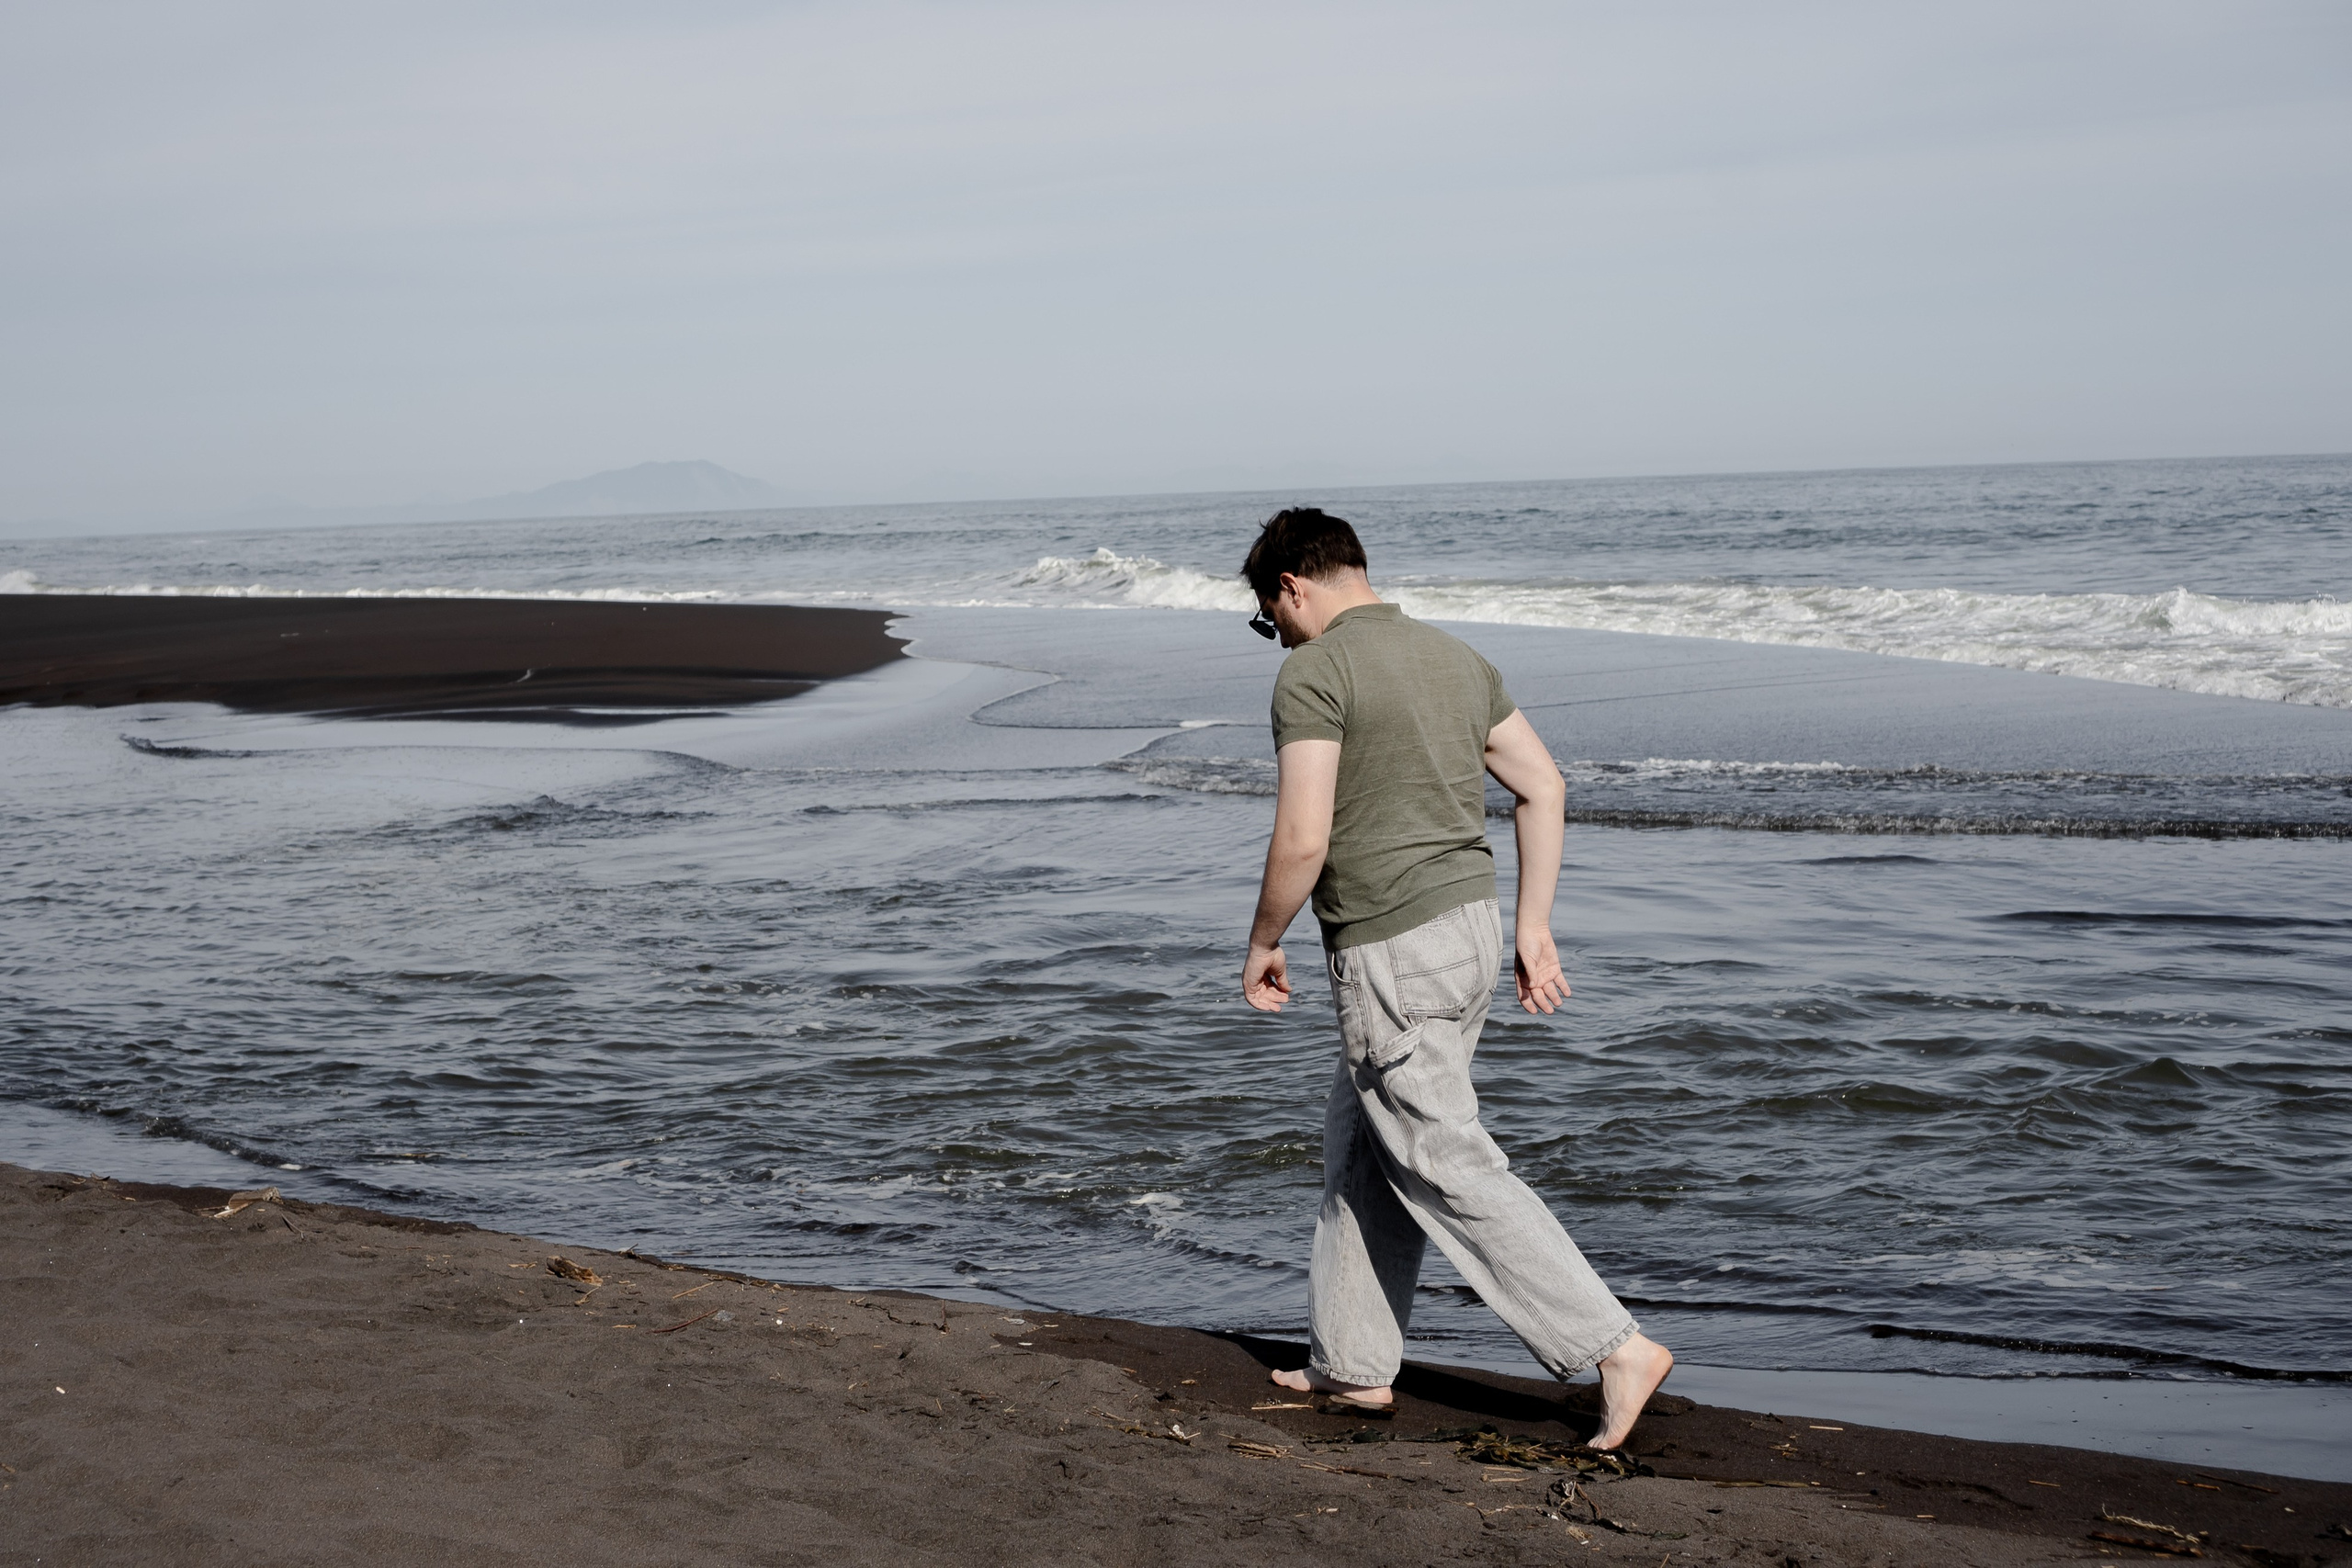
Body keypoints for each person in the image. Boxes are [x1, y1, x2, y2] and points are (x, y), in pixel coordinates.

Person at [1237, 506, 1673, 1450]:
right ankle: (1351, 1363)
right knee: (1365, 1148)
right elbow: (1544, 786)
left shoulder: (1313, 672)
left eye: (1268, 618)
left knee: (1438, 1153)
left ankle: (1613, 1345)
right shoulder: (1454, 659)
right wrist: (1532, 926)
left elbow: (1304, 835)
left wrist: (1262, 938)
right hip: (1467, 931)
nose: (1276, 635)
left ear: (1291, 587)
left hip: (1392, 945)